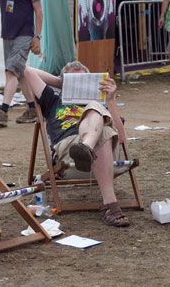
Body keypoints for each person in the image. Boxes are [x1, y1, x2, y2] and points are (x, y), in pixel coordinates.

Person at [22, 62, 131, 226]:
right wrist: (64, 83)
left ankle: (86, 147)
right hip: (69, 149)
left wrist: (111, 100)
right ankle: (111, 205)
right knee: (102, 129)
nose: (79, 82)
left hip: (103, 151)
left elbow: (121, 139)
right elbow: (27, 71)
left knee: (97, 112)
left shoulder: (100, 104)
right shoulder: (53, 100)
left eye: (83, 79)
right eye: (74, 79)